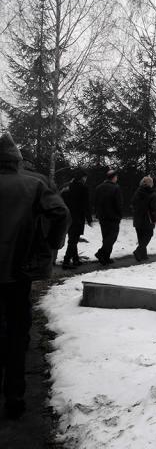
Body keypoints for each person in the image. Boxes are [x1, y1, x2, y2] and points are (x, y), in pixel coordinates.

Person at [0, 132, 69, 419]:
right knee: (17, 334)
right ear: (16, 159)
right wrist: (50, 245)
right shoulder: (33, 183)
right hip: (18, 273)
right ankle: (15, 397)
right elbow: (61, 213)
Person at [60, 169, 92, 269]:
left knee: (72, 238)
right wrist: (89, 218)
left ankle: (75, 259)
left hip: (68, 216)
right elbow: (86, 204)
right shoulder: (83, 188)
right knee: (73, 240)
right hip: (78, 217)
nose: (86, 179)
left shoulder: (67, 186)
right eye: (85, 177)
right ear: (82, 177)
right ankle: (66, 261)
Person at [94, 169, 123, 265]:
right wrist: (120, 214)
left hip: (102, 217)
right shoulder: (116, 188)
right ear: (113, 177)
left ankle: (105, 258)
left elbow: (95, 202)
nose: (117, 178)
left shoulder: (99, 187)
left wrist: (97, 213)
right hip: (113, 217)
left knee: (106, 237)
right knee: (112, 237)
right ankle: (101, 253)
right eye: (116, 177)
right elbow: (118, 204)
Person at [131, 176, 156, 262]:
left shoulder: (137, 192)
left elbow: (132, 203)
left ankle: (143, 256)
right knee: (149, 235)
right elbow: (154, 208)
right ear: (150, 184)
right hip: (148, 218)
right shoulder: (153, 194)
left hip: (137, 218)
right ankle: (138, 251)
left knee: (141, 237)